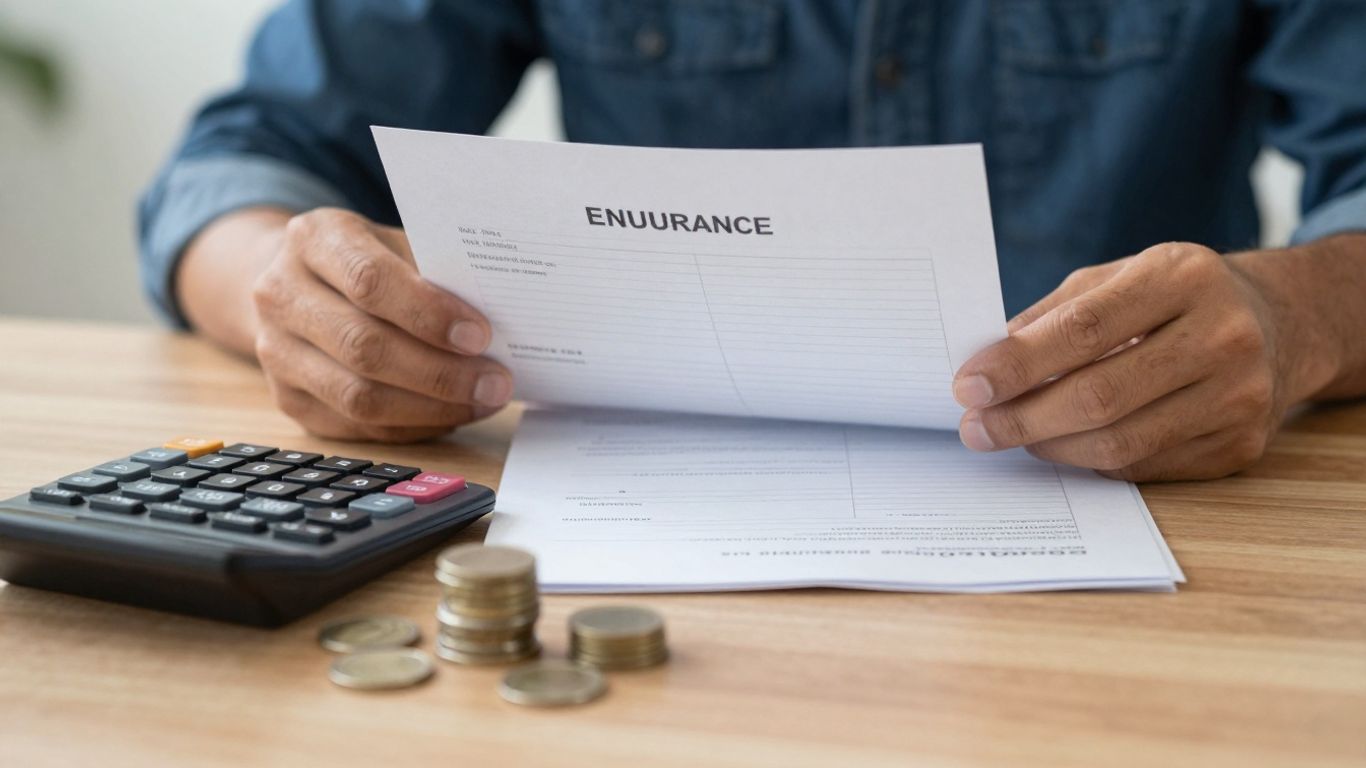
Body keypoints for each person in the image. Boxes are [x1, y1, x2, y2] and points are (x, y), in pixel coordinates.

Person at [140, 1, 1366, 481]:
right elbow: (239, 166)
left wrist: (1295, 317)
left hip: (1169, 538)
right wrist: (293, 293)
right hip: (639, 577)